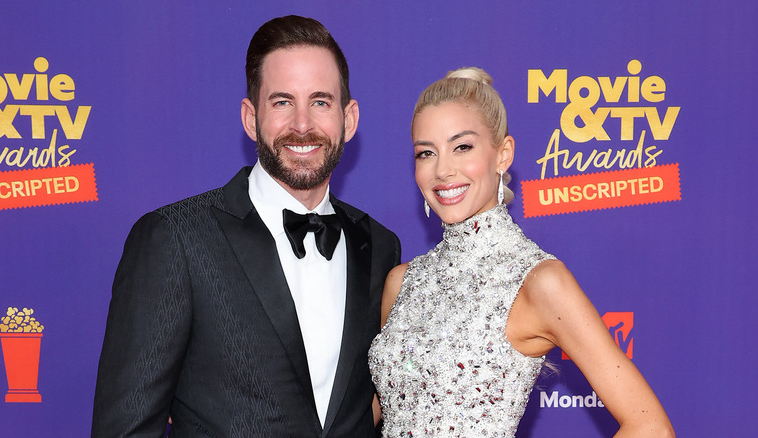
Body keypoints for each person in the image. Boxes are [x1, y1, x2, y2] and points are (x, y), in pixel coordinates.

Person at [92, 15, 400, 437]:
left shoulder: (380, 246)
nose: (303, 125)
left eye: (321, 101)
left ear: (349, 119)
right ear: (250, 118)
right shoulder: (175, 239)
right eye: (282, 102)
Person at [368, 67, 674, 437]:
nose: (442, 170)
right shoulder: (402, 283)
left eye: (462, 147)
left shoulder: (539, 281)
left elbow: (650, 425)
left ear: (503, 154)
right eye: (426, 153)